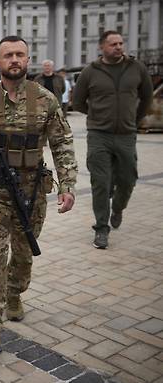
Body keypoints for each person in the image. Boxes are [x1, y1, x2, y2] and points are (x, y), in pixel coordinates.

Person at [0, 36, 77, 355]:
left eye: (20, 54)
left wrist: (67, 185)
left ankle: (15, 292)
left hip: (31, 194)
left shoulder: (44, 100)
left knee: (24, 255)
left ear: (27, 60)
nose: (15, 59)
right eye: (8, 55)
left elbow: (62, 143)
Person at [73, 30, 153, 249]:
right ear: (102, 47)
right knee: (100, 182)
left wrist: (134, 119)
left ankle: (118, 208)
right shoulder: (90, 72)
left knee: (128, 180)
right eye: (113, 44)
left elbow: (147, 96)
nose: (118, 47)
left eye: (120, 43)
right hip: (99, 135)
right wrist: (97, 115)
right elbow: (77, 102)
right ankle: (101, 228)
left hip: (127, 135)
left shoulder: (137, 68)